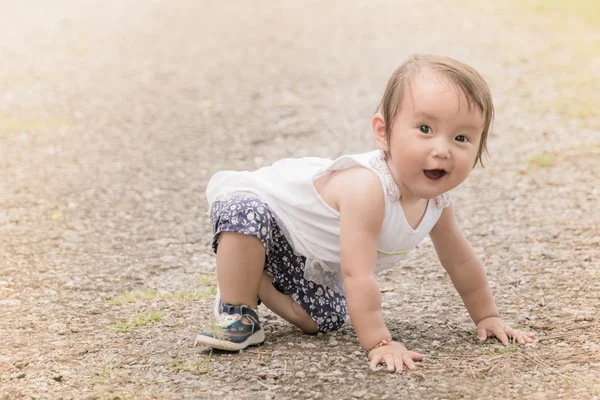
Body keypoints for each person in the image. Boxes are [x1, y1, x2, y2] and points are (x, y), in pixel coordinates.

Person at [194, 54, 535, 372]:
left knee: (321, 320)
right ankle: (237, 309)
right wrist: (380, 342)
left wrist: (487, 316)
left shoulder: (437, 201)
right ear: (384, 133)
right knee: (244, 211)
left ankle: (254, 277)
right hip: (270, 215)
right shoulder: (368, 188)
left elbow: (460, 262)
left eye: (461, 137)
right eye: (425, 130)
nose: (442, 150)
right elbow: (357, 274)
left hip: (302, 253)